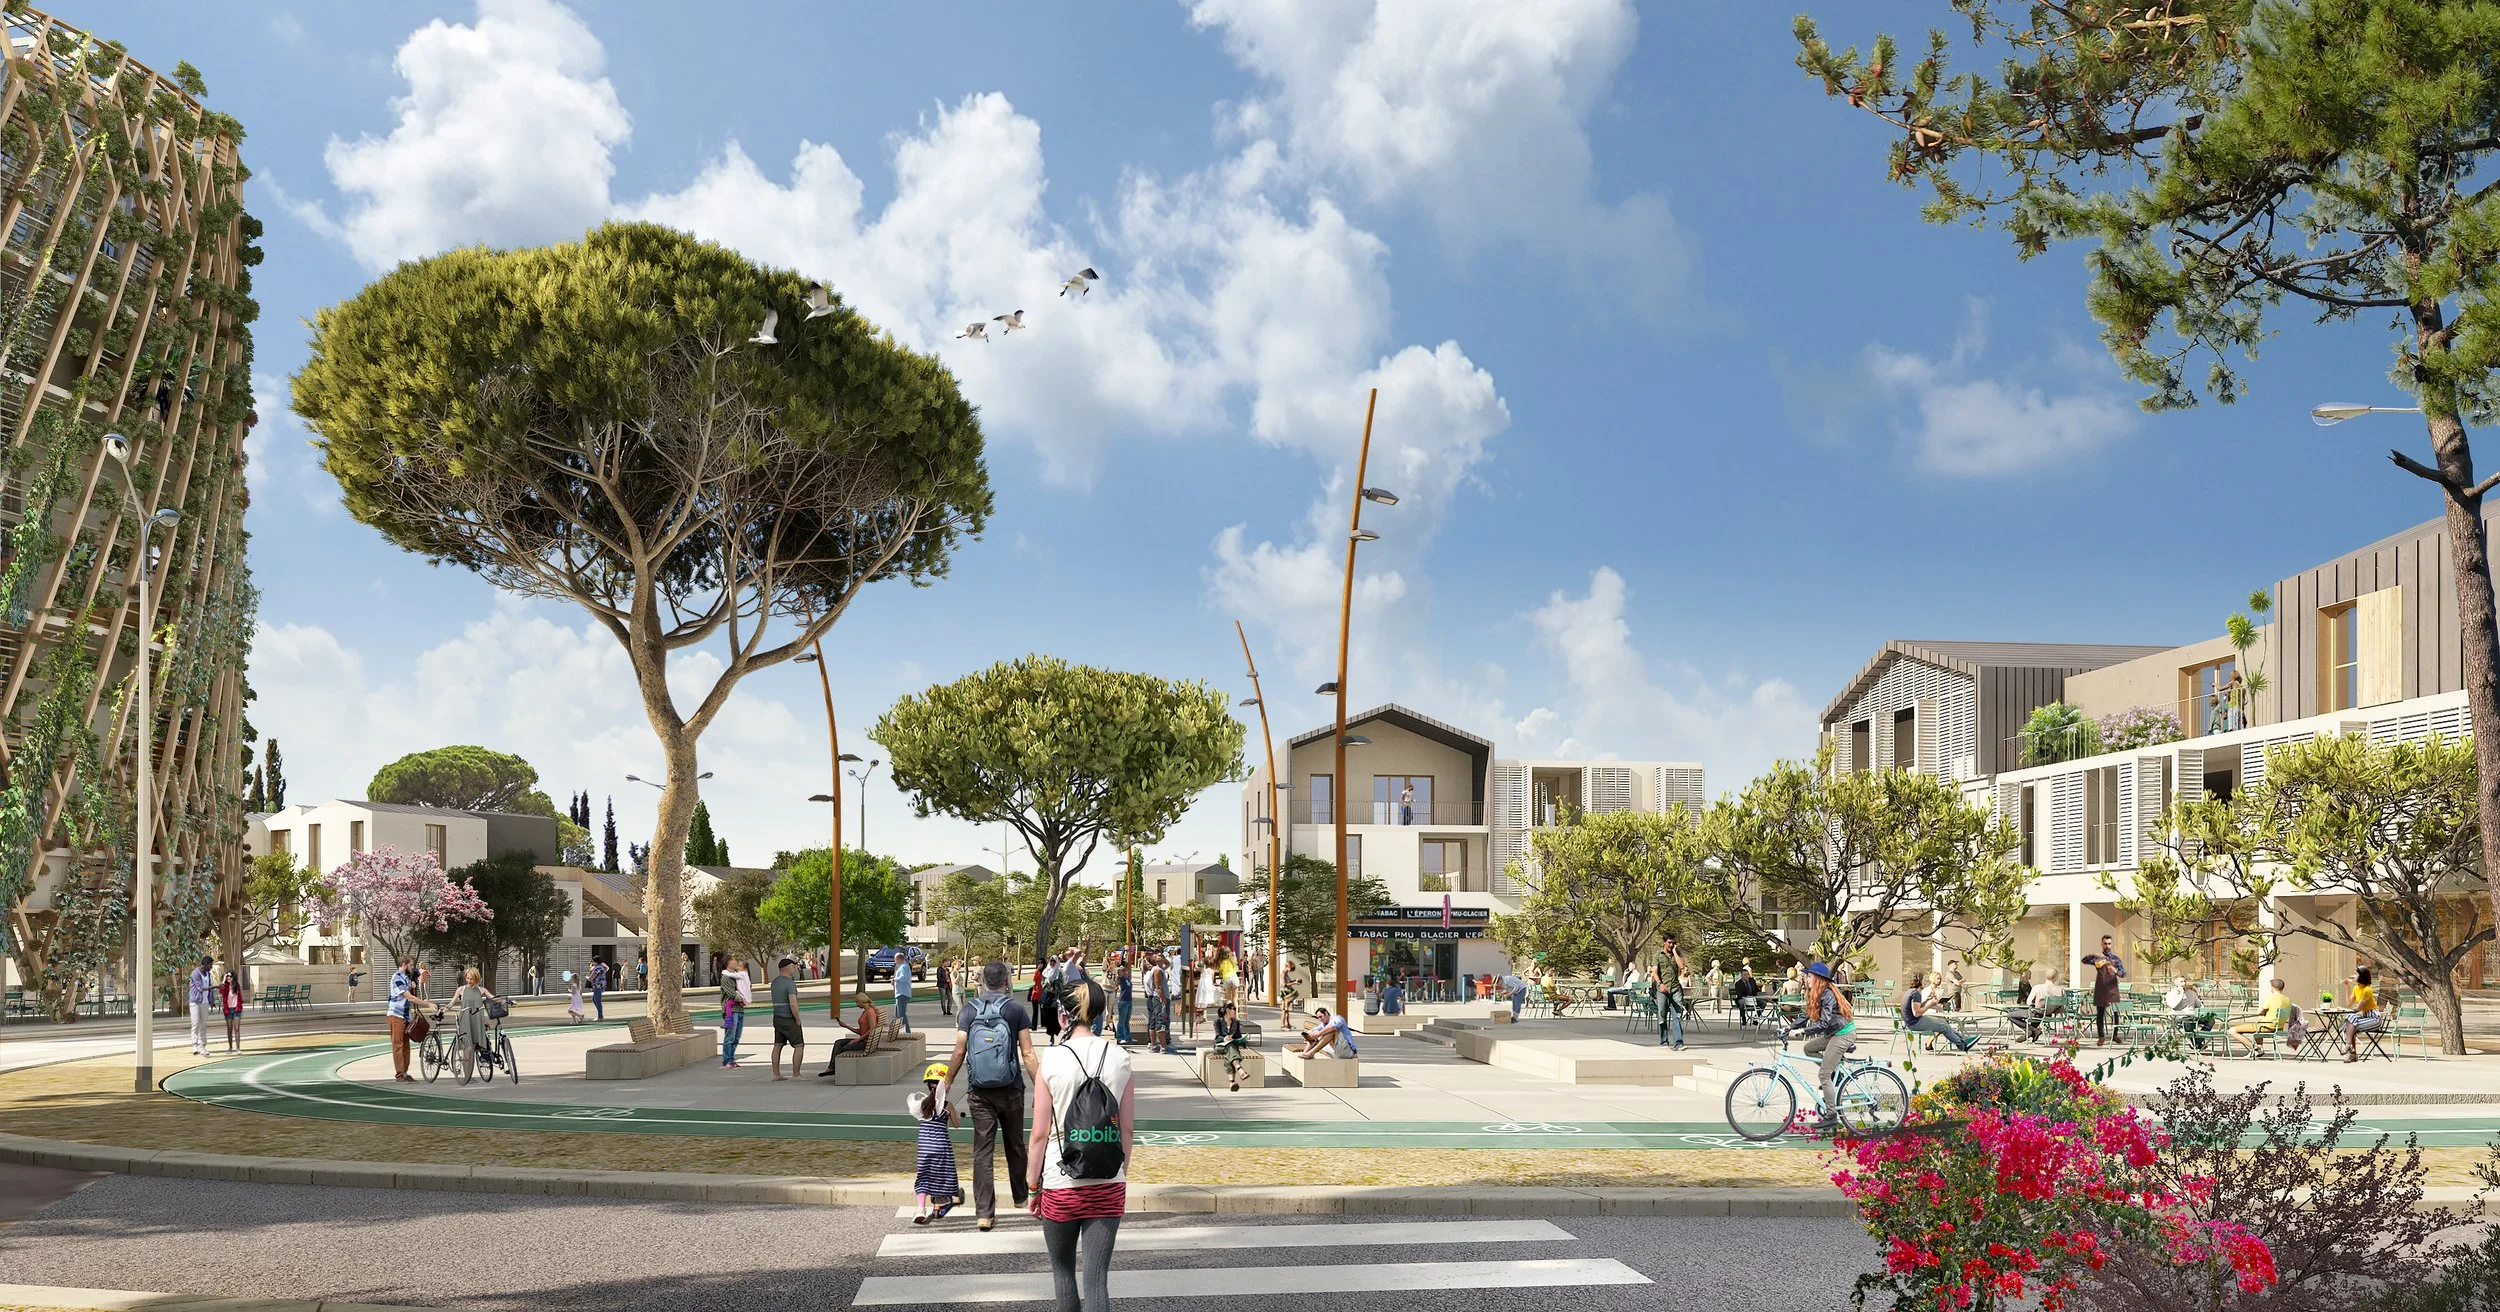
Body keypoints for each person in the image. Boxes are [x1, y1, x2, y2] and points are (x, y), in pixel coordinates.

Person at [1027, 977, 1132, 1312]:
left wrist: (1033, 1187)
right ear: (1100, 1013)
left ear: (1062, 1016)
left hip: (1061, 1182)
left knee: (1063, 1275)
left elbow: (1040, 1134)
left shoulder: (1052, 1060)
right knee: (1097, 1279)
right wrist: (1120, 1172)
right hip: (1108, 1181)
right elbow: (1127, 1129)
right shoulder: (1120, 1058)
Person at [946, 960, 1043, 1232]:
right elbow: (1027, 1053)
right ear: (1006, 981)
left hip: (979, 1092)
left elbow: (959, 1051)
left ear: (983, 981)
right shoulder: (1015, 1009)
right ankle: (1020, 1196)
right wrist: (1041, 1087)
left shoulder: (968, 1010)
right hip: (1011, 1088)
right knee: (1015, 1144)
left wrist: (947, 1083)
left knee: (982, 1151)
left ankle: (984, 1214)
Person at [1785, 962, 1857, 1131]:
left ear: (1817, 979)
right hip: (1834, 1032)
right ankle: (1835, 1075)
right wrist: (1789, 1027)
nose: (1806, 978)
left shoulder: (1828, 995)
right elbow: (1806, 1014)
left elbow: (1824, 1023)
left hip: (1843, 1034)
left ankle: (1831, 1116)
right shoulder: (1817, 993)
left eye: (1809, 976)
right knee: (1808, 1048)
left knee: (1824, 1074)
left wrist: (1802, 1031)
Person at [911, 1061, 964, 1225]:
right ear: (945, 1086)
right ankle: (939, 1207)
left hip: (924, 1148)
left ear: (927, 1085)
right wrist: (957, 1116)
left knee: (924, 1177)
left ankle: (920, 1209)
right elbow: (956, 1124)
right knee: (943, 1176)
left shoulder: (920, 1104)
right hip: (941, 1147)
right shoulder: (948, 1106)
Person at [1902, 971, 1977, 1052]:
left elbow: (1917, 1008)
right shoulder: (1915, 993)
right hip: (1914, 1023)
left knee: (1943, 1022)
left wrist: (1927, 1000)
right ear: (1919, 981)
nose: (1925, 982)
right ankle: (1962, 1045)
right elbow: (1916, 1013)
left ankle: (1964, 1039)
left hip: (1913, 1022)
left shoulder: (1911, 992)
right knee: (1943, 1027)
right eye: (1923, 980)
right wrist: (1929, 1004)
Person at [818, 992, 882, 1078]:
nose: (856, 1004)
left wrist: (858, 1040)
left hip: (866, 1043)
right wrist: (847, 1026)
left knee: (843, 1048)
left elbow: (872, 1029)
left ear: (861, 1002)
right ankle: (831, 1068)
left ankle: (836, 1070)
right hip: (863, 1039)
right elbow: (861, 1031)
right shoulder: (865, 1011)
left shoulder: (870, 1012)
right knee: (838, 1043)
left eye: (857, 1002)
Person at [2081, 935, 2128, 1044]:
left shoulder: (2116, 959)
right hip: (2101, 987)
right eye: (2105, 943)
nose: (2107, 946)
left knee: (2115, 1012)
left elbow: (2123, 974)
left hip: (2112, 988)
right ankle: (2101, 1036)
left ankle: (2115, 1035)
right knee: (2100, 1013)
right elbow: (2084, 960)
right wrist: (2093, 954)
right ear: (2102, 944)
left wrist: (2115, 970)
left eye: (2109, 943)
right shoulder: (2098, 958)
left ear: (2111, 944)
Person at [2232, 978, 2297, 1056]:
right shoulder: (2288, 1000)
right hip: (2278, 1027)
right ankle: (2260, 1050)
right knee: (2259, 1023)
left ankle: (2255, 1048)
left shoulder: (2270, 998)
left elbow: (2259, 1012)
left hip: (2266, 1026)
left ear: (2272, 987)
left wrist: (2262, 1014)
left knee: (2232, 1030)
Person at [451, 967, 499, 1065]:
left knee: (474, 1045)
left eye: (471, 979)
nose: (469, 981)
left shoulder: (482, 990)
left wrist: (506, 1001)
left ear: (476, 979)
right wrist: (443, 1009)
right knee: (467, 1047)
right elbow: (451, 1003)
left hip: (477, 1019)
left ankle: (469, 1070)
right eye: (467, 978)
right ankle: (467, 1073)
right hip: (465, 1019)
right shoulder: (461, 990)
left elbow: (493, 998)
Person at [767, 958, 806, 1079]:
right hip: (789, 1018)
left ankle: (776, 1074)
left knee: (778, 1045)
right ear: (788, 967)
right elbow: (793, 1003)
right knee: (799, 1045)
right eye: (793, 967)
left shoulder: (775, 982)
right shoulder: (789, 983)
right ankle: (796, 1074)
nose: (794, 969)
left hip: (777, 1018)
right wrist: (798, 1018)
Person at [387, 957, 422, 1081]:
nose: (412, 967)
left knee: (405, 1045)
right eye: (411, 965)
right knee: (398, 1045)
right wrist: (428, 1004)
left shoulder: (406, 978)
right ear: (404, 964)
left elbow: (411, 995)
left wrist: (413, 986)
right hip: (396, 1015)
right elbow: (408, 997)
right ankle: (400, 1074)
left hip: (405, 1016)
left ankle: (405, 1072)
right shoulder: (397, 977)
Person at [2344, 966, 2385, 1063]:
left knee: (2349, 1026)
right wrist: (2347, 988)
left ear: (2362, 976)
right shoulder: (2355, 988)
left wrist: (2347, 1011)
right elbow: (2349, 1003)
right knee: (2350, 1021)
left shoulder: (2367, 990)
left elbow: (2358, 1008)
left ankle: (2350, 1051)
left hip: (2374, 1018)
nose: (2354, 975)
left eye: (2356, 974)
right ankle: (2349, 1047)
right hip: (2364, 1017)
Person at [1210, 1001, 1253, 1091]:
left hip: (1230, 1047)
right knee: (1230, 1047)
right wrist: (1224, 1038)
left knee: (1229, 1053)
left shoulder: (1236, 1023)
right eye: (1234, 1009)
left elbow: (1238, 1036)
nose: (1235, 1011)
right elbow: (1217, 1037)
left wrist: (1243, 1040)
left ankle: (1232, 1082)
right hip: (1220, 1046)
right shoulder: (1217, 1022)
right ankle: (1240, 1069)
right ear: (1228, 1010)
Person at [718, 955, 752, 1068]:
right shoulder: (725, 977)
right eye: (733, 960)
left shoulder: (737, 975)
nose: (735, 962)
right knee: (730, 1036)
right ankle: (727, 1060)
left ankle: (732, 1059)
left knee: (736, 1037)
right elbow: (731, 993)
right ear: (728, 962)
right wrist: (742, 999)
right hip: (731, 1010)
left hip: (740, 1009)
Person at [2017, 968, 2068, 1041]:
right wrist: (2054, 1010)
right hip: (2049, 1015)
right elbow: (2063, 1007)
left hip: (2038, 1013)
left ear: (2045, 976)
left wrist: (2036, 1004)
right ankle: (2033, 1032)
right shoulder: (2061, 990)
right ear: (2056, 978)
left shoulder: (2037, 987)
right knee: (2037, 1015)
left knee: (2011, 1015)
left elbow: (2029, 1002)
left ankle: (2033, 1030)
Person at [2164, 976, 2211, 1051]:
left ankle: (2197, 1041)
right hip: (2179, 1016)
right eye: (2181, 982)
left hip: (2193, 1015)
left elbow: (2199, 1004)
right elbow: (2173, 1005)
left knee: (2210, 1020)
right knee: (2187, 1021)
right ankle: (2194, 1043)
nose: (2184, 983)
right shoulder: (2170, 994)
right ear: (2175, 984)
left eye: (2184, 981)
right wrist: (2181, 994)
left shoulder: (2191, 993)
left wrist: (2203, 1012)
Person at [187, 955, 214, 1056]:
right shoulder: (195, 973)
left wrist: (211, 1001)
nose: (211, 967)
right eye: (210, 965)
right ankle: (195, 1045)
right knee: (196, 1023)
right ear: (205, 964)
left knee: (203, 1025)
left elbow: (209, 988)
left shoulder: (208, 974)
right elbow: (200, 988)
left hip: (205, 1002)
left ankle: (203, 1046)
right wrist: (215, 986)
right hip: (195, 1002)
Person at [217, 967, 245, 1054]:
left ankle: (238, 1048)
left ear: (234, 977)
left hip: (236, 1009)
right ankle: (230, 1047)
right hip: (228, 1009)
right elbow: (220, 991)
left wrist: (239, 1006)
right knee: (229, 1029)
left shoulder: (237, 986)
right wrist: (223, 980)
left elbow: (240, 998)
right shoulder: (225, 986)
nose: (229, 977)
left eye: (230, 976)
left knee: (236, 1028)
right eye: (227, 976)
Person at [1113, 954, 1135, 1045]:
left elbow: (1128, 968)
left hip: (1129, 1001)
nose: (1125, 971)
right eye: (1122, 970)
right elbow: (1118, 971)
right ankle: (1120, 1037)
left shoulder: (1127, 978)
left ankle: (1128, 1037)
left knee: (1127, 1021)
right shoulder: (1120, 979)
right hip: (1123, 1001)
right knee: (1121, 1021)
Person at [1279, 955, 1305, 1028]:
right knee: (1284, 1009)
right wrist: (1294, 983)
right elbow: (1285, 984)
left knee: (1287, 1009)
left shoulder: (1286, 973)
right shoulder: (1283, 973)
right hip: (1285, 993)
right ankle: (1283, 1024)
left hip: (1288, 992)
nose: (1291, 970)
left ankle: (1288, 1024)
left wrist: (1295, 980)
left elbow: (1288, 982)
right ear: (1287, 967)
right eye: (1290, 968)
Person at [893, 955, 916, 1035]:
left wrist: (895, 979)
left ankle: (907, 1031)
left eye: (895, 959)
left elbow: (903, 978)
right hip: (900, 993)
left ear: (899, 959)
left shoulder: (903, 967)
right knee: (897, 1013)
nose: (894, 961)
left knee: (901, 1013)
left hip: (902, 993)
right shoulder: (901, 967)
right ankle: (899, 1030)